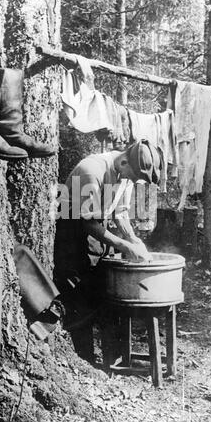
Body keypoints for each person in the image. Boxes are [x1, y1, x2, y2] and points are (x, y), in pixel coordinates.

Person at [53, 139, 161, 357]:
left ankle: (111, 359)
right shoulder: (90, 171)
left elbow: (120, 213)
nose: (132, 181)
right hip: (71, 230)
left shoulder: (125, 175)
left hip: (96, 227)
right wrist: (124, 245)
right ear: (123, 162)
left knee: (105, 293)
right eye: (132, 176)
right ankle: (85, 359)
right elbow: (86, 222)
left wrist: (133, 240)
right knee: (79, 297)